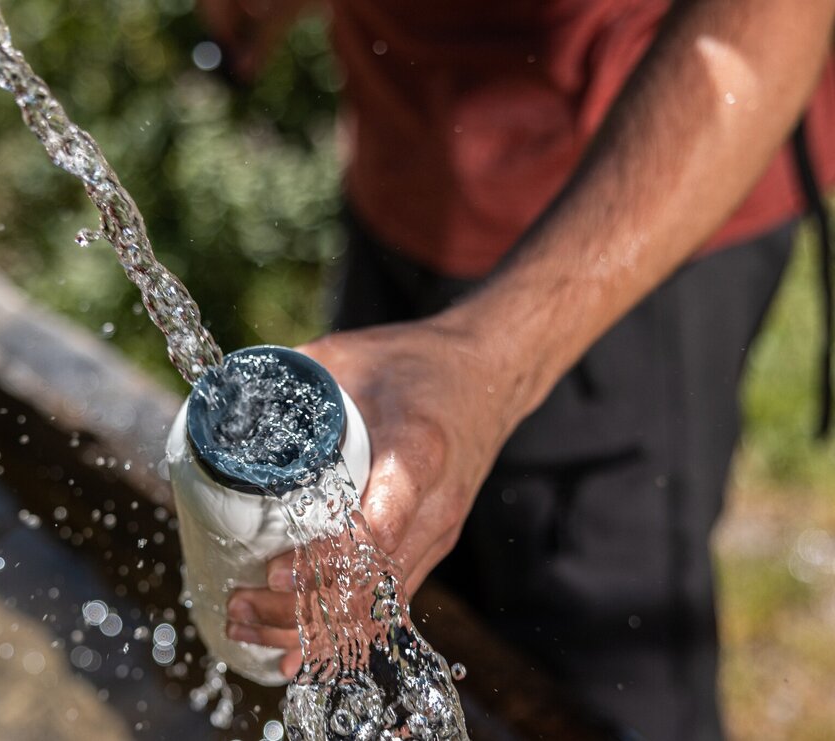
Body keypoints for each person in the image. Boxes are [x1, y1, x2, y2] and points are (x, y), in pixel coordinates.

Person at [201, 1, 835, 738]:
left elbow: (763, 27)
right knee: (394, 639)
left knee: (593, 694)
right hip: (406, 173)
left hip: (634, 220)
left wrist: (489, 360)